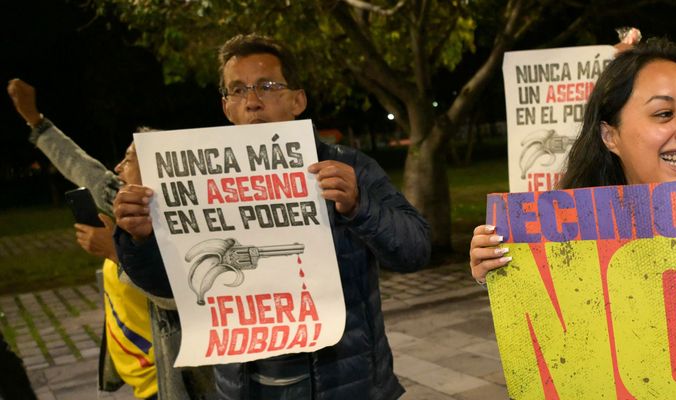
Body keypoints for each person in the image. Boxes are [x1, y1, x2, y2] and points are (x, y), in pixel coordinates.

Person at [468, 38, 676, 392]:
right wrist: (504, 275)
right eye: (664, 114)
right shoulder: (565, 235)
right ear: (609, 135)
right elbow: (551, 372)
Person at [111, 33, 431, 399]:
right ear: (226, 108)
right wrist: (138, 239)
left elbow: (415, 250)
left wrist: (361, 207)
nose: (252, 101)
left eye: (267, 86)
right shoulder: (196, 183)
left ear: (298, 99)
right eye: (237, 90)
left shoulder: (350, 167)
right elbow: (166, 286)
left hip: (350, 386)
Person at [7, 79, 160, 399]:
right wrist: (34, 119)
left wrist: (115, 252)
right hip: (139, 383)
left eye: (128, 159)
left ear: (155, 171)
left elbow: (177, 294)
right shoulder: (118, 200)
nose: (117, 167)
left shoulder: (180, 226)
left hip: (168, 382)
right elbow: (82, 167)